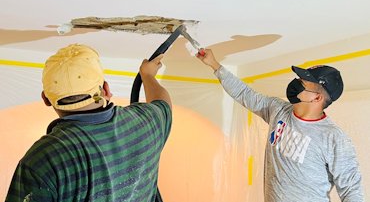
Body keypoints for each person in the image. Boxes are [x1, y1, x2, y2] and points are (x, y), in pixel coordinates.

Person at [6, 44, 172, 202]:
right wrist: (148, 75)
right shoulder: (147, 121)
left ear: (46, 99)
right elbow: (162, 102)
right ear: (106, 90)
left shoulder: (44, 159)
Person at [196, 49, 364, 201]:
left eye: (303, 83)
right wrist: (214, 65)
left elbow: (351, 189)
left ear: (317, 98)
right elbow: (244, 93)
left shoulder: (334, 138)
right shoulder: (278, 110)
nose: (296, 83)